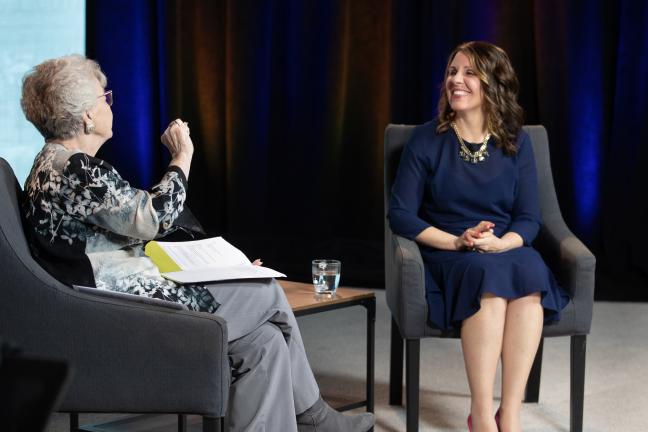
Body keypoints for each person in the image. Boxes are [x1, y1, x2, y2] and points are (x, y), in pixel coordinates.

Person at [20, 54, 373, 432]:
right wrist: (182, 156)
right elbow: (153, 217)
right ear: (87, 116)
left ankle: (311, 419)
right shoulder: (74, 168)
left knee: (263, 343)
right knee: (267, 291)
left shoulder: (49, 164)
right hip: (121, 310)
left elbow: (125, 227)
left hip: (111, 297)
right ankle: (316, 418)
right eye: (105, 97)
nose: (111, 103)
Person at [388, 41, 570, 432]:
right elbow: (400, 214)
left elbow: (528, 218)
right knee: (487, 278)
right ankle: (483, 416)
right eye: (453, 71)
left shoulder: (517, 142)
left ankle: (512, 413)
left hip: (500, 247)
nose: (456, 80)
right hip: (450, 251)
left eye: (470, 72)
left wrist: (504, 242)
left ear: (493, 84)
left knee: (529, 275)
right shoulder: (426, 140)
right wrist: (456, 240)